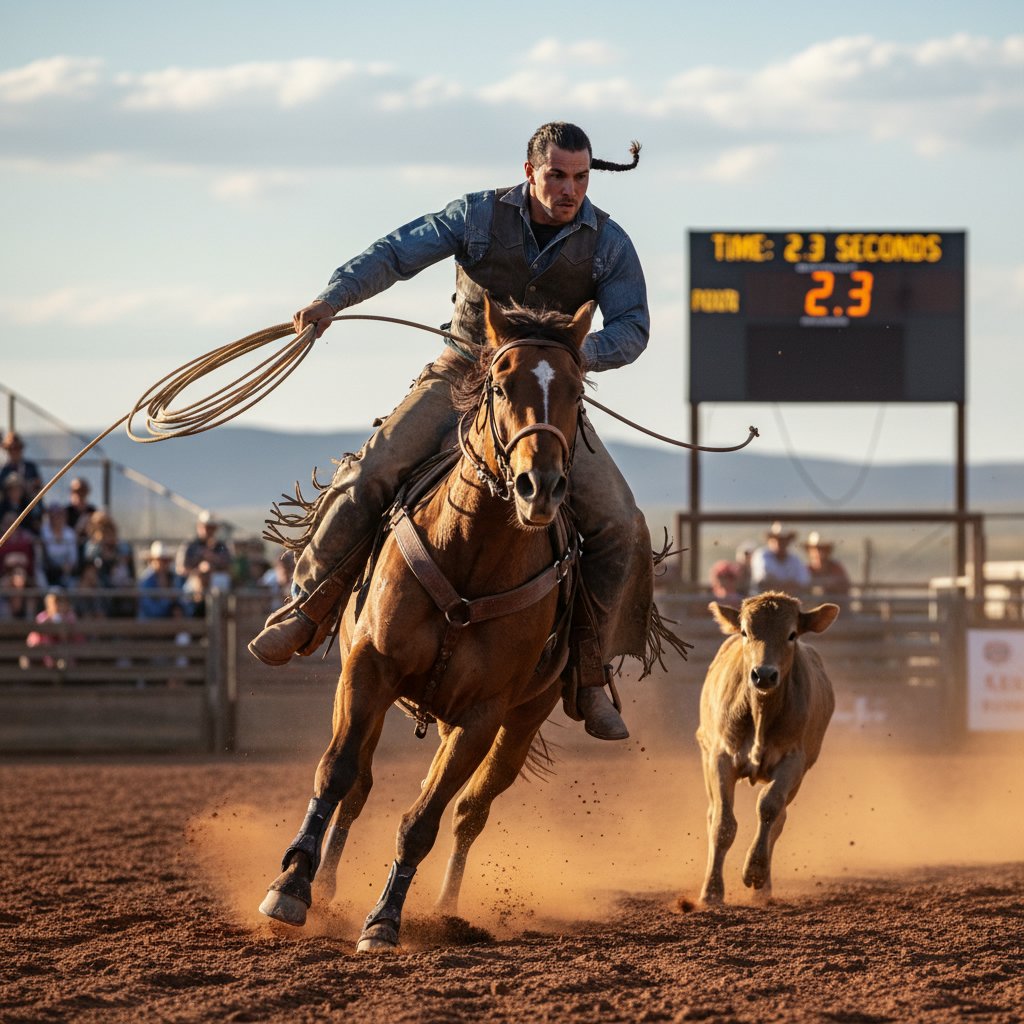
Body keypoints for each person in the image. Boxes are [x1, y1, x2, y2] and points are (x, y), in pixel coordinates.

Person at [248, 121, 651, 741]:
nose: (570, 190)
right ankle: (309, 608)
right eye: (558, 176)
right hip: (461, 371)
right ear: (530, 172)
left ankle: (589, 675)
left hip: (540, 399)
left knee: (618, 523)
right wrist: (333, 299)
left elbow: (633, 328)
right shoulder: (477, 217)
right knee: (375, 469)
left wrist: (566, 359)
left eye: (580, 177)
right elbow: (394, 253)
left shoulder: (608, 243)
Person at [176, 511, 233, 594]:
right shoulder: (190, 545)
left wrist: (213, 559)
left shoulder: (221, 546)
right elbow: (181, 570)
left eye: (211, 527)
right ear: (199, 527)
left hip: (217, 584)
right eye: (206, 527)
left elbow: (229, 567)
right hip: (192, 583)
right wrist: (199, 570)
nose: (208, 530)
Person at [749, 522, 811, 594]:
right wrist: (790, 585)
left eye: (784, 539)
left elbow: (804, 583)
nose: (780, 542)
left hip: (789, 602)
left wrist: (776, 585)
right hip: (762, 601)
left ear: (788, 541)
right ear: (770, 540)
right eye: (777, 539)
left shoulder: (795, 559)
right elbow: (764, 582)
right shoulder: (762, 555)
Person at [137, 541, 185, 620]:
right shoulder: (145, 581)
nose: (163, 564)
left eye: (165, 561)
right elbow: (150, 610)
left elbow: (182, 601)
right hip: (149, 624)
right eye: (160, 560)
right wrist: (168, 600)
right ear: (151, 561)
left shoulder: (174, 578)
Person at [39, 503, 80, 586]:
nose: (57, 518)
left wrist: (68, 566)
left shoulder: (70, 533)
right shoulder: (43, 531)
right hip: (49, 571)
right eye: (54, 515)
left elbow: (73, 558)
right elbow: (44, 557)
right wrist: (59, 568)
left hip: (67, 572)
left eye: (60, 515)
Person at [804, 531, 851, 599]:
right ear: (809, 551)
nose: (819, 552)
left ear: (828, 551)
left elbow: (845, 587)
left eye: (823, 548)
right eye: (815, 549)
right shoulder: (806, 570)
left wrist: (833, 585)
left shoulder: (836, 568)